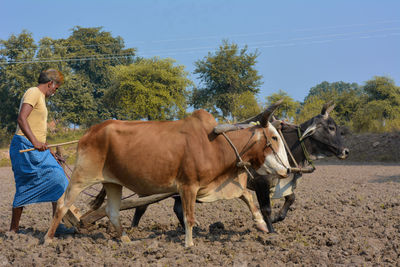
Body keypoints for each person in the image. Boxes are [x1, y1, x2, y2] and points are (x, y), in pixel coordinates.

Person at [9, 69, 72, 234]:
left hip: (35, 147)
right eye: (56, 88)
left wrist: (49, 150)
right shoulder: (33, 92)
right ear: (50, 83)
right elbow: (22, 118)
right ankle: (13, 229)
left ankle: (56, 225)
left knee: (58, 179)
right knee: (26, 185)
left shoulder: (41, 98)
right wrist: (35, 142)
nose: (55, 92)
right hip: (24, 147)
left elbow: (36, 128)